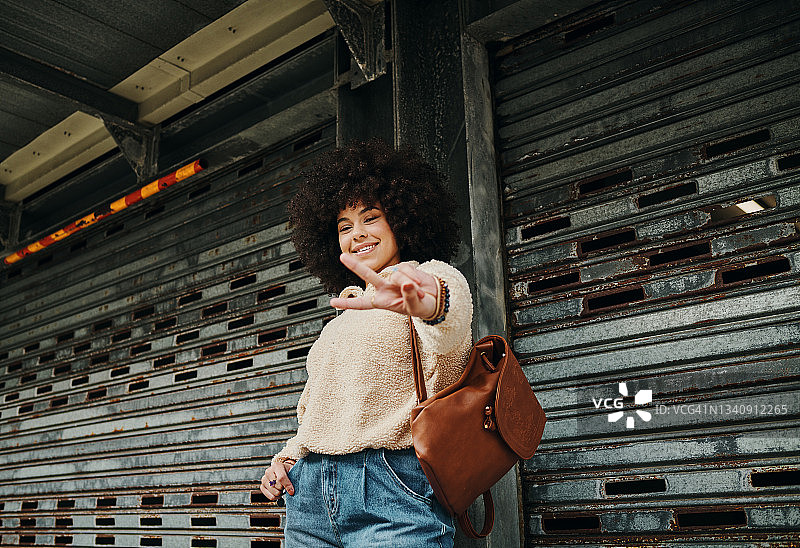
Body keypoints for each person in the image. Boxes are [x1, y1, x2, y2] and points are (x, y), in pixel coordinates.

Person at [259, 138, 473, 547]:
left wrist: (432, 302)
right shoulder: (341, 317)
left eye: (370, 217)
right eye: (344, 226)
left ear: (402, 218)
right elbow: (317, 409)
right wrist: (286, 458)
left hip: (392, 488)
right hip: (309, 499)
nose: (357, 234)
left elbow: (451, 322)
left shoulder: (425, 278)